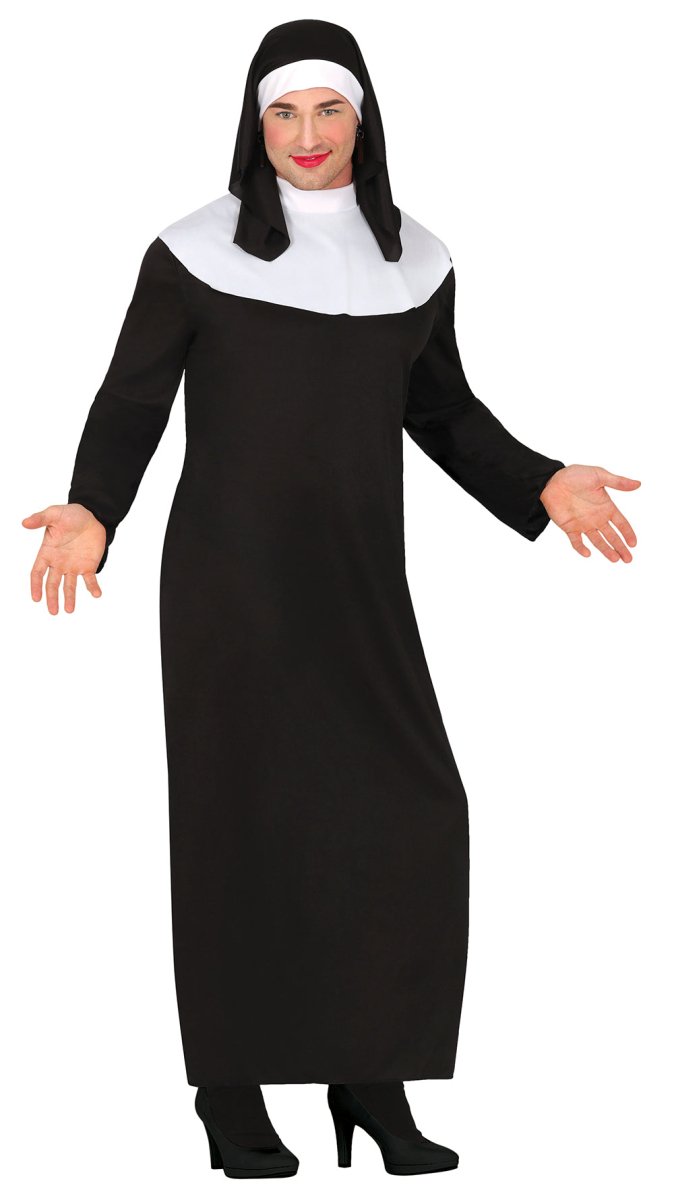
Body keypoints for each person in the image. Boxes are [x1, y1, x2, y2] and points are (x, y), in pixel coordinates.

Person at [22, 18, 639, 1181]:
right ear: (254, 126)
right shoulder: (192, 251)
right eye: (283, 113)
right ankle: (231, 1091)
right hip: (231, 587)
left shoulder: (420, 261)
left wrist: (541, 479)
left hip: (358, 583)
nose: (305, 135)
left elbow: (441, 411)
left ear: (363, 118)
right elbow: (132, 399)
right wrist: (93, 505)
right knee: (242, 827)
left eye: (328, 110)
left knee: (404, 818)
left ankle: (368, 1074)